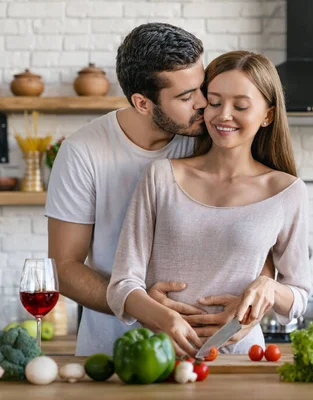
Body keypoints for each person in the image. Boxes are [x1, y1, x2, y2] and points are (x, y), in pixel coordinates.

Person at [107, 51, 311, 356]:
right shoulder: (161, 176)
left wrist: (269, 288)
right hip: (162, 356)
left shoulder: (287, 191)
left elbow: (299, 296)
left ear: (267, 114)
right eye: (214, 102)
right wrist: (162, 318)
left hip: (244, 358)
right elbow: (121, 284)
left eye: (240, 105)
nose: (223, 115)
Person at [46, 23, 214, 356]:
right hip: (112, 351)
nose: (204, 102)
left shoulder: (211, 135)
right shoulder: (84, 151)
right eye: (185, 96)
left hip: (204, 347)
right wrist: (143, 306)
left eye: (202, 86)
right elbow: (63, 268)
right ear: (142, 103)